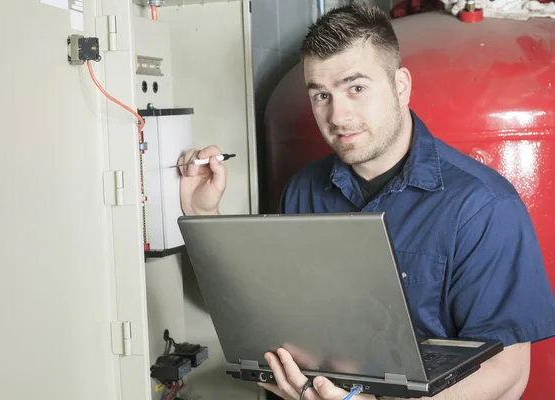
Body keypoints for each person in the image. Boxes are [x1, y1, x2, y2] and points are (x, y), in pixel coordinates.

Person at [178, 4, 555, 400]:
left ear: (401, 85)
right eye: (321, 94)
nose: (338, 115)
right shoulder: (302, 191)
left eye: (356, 88)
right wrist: (203, 213)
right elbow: (259, 311)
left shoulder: (482, 205)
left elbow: (508, 374)